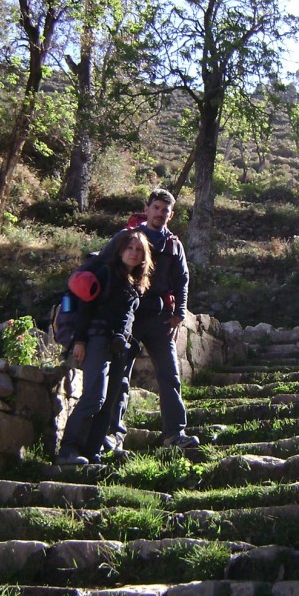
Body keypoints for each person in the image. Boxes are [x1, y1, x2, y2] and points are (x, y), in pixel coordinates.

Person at [97, 188, 199, 451]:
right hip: (125, 316)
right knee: (119, 374)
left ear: (171, 214)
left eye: (165, 210)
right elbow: (103, 266)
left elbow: (182, 281)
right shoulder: (127, 237)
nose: (160, 213)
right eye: (156, 208)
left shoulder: (174, 244)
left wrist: (179, 314)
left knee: (169, 374)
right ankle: (112, 434)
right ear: (147, 208)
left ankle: (174, 434)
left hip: (158, 316)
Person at [56, 229, 152, 466]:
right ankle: (68, 450)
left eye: (139, 250)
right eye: (130, 247)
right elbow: (86, 308)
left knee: (109, 402)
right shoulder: (105, 273)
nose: (134, 253)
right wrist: (79, 341)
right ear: (120, 250)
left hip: (120, 345)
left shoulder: (136, 282)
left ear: (144, 256)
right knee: (94, 397)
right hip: (97, 339)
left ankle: (91, 452)